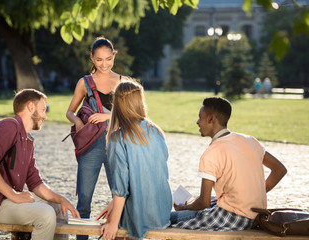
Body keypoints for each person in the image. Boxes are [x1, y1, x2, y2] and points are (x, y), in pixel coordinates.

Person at [0, 89, 80, 240]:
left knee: (59, 210)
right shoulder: (9, 126)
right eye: (43, 110)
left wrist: (61, 199)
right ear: (30, 107)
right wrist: (14, 195)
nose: (45, 116)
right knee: (45, 215)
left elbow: (35, 183)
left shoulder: (26, 140)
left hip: (6, 201)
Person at [170, 97, 287, 231]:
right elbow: (280, 169)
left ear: (211, 119)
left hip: (234, 218)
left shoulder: (212, 152)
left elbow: (204, 202)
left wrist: (184, 208)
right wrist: (256, 192)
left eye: (200, 117)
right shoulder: (250, 141)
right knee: (213, 199)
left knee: (168, 220)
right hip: (255, 214)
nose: (197, 122)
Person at [65, 37, 126, 239]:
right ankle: (81, 237)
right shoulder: (84, 83)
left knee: (119, 195)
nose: (104, 64)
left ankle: (118, 235)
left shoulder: (123, 82)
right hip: (91, 145)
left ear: (114, 55)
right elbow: (70, 111)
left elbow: (134, 115)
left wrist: (107, 116)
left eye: (108, 59)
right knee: (84, 199)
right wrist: (77, 122)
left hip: (117, 145)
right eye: (99, 60)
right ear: (92, 58)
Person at [96, 81, 172, 240]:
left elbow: (121, 188)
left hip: (140, 215)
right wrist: (113, 206)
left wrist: (113, 223)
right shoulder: (156, 131)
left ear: (117, 104)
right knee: (114, 216)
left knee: (110, 228)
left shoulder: (118, 138)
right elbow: (151, 174)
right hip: (161, 211)